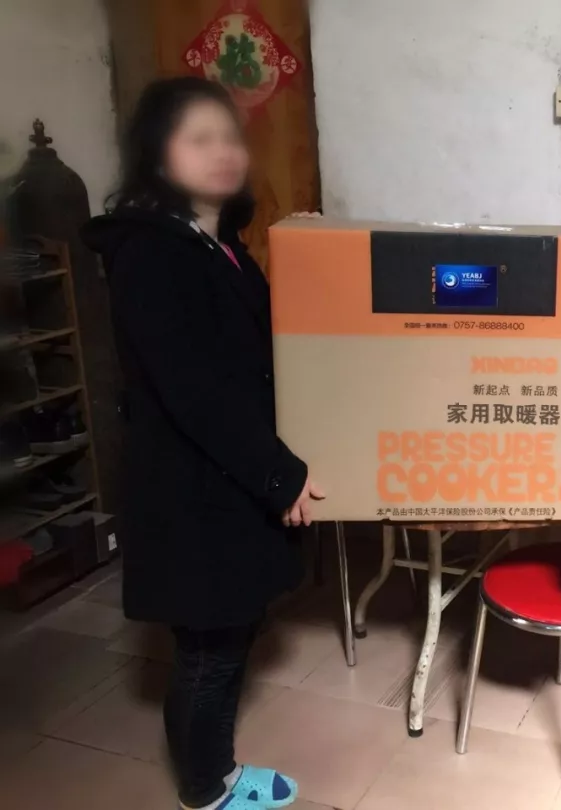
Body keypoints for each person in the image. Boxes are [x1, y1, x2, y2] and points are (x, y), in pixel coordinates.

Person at [82, 77, 323, 810]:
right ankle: (208, 786)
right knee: (208, 650)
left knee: (229, 633)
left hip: (227, 482)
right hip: (192, 491)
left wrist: (313, 259)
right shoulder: (151, 254)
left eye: (229, 137)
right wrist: (280, 476)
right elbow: (197, 392)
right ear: (159, 156)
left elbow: (262, 350)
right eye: (198, 138)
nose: (223, 152)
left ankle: (209, 774)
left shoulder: (217, 246)